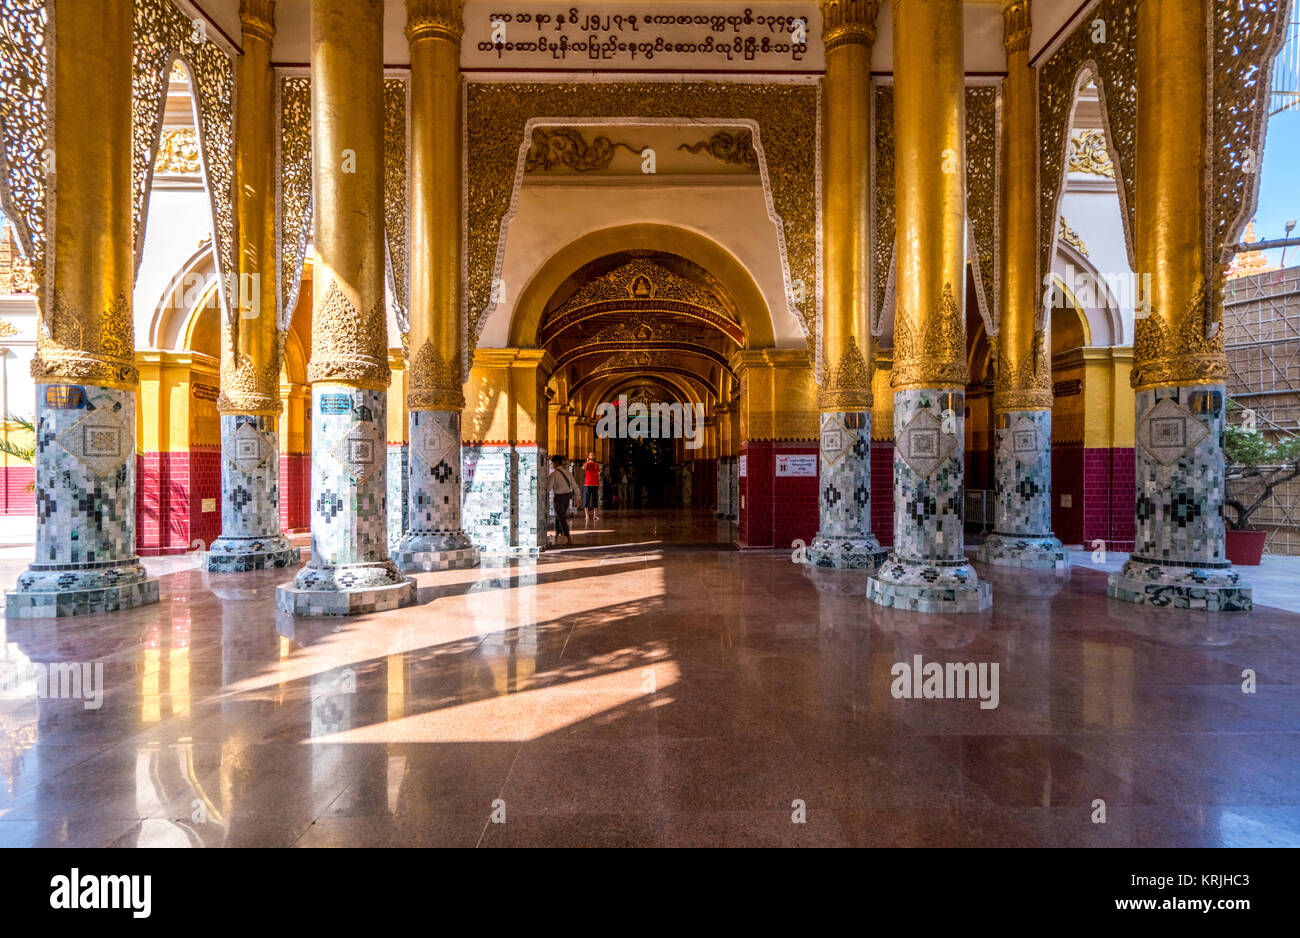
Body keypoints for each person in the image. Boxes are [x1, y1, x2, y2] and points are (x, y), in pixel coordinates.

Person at [547, 454, 577, 546]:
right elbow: (575, 485)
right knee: (559, 515)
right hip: (567, 496)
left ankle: (569, 537)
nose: (552, 465)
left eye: (552, 463)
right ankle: (557, 534)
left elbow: (548, 487)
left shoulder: (554, 474)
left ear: (555, 463)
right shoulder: (568, 473)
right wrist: (578, 496)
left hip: (559, 497)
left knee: (561, 517)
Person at [582, 451, 601, 523]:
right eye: (591, 455)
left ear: (594, 457)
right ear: (589, 456)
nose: (592, 456)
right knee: (586, 499)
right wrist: (587, 462)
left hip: (595, 484)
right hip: (587, 484)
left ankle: (595, 515)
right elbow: (583, 468)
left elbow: (598, 475)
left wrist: (599, 484)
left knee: (595, 500)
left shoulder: (596, 465)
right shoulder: (586, 464)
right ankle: (586, 515)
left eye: (593, 455)